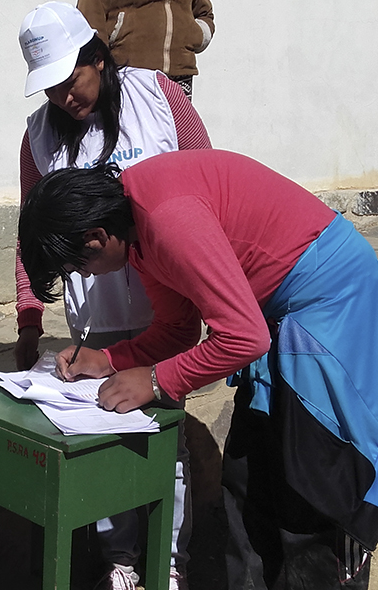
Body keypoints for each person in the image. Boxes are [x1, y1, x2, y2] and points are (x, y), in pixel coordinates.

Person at [19, 149, 378, 590]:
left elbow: (244, 338)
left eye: (79, 267)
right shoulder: (137, 230)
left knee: (312, 486)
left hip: (330, 310)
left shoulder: (166, 219)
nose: (88, 276)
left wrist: (156, 380)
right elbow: (177, 329)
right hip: (275, 317)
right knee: (248, 481)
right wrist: (109, 359)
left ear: (96, 236)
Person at [16, 2, 210, 589]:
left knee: (161, 445)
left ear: (97, 57)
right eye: (49, 89)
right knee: (102, 439)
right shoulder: (39, 137)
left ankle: (167, 562)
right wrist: (30, 318)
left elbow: (205, 182)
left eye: (70, 79)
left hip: (167, 310)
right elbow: (36, 230)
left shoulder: (160, 97)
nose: (64, 99)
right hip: (95, 314)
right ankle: (119, 562)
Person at [76, 0, 214, 100]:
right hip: (128, 73)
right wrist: (99, 68)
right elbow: (90, 17)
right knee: (129, 134)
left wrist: (195, 35)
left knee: (181, 133)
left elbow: (204, 13)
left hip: (180, 76)